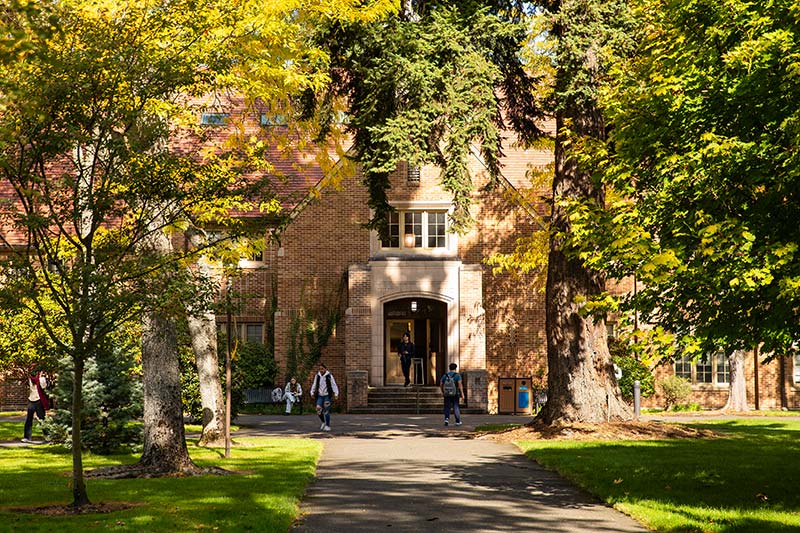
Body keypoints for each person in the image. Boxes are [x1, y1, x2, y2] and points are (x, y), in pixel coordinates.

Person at [310, 362, 338, 431]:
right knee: (318, 409)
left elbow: (334, 385)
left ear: (325, 369)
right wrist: (312, 392)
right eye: (320, 369)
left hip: (327, 396)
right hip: (320, 395)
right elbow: (314, 384)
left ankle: (328, 425)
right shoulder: (317, 376)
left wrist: (336, 393)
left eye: (322, 369)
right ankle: (323, 422)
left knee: (326, 410)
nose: (321, 370)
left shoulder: (329, 376)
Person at [23, 369, 49, 443]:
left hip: (39, 400)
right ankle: (27, 437)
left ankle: (47, 436)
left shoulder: (42, 379)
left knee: (42, 419)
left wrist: (41, 378)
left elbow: (43, 387)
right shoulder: (31, 379)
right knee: (29, 419)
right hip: (31, 400)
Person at [440, 362, 465, 427]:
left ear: (449, 368)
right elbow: (460, 385)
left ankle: (446, 419)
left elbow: (441, 384)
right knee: (456, 407)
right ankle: (457, 421)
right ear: (455, 368)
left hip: (447, 394)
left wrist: (443, 391)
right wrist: (462, 394)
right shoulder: (457, 375)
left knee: (447, 407)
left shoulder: (445, 375)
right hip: (455, 393)